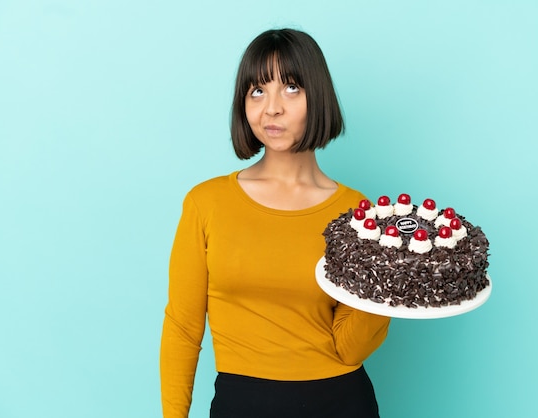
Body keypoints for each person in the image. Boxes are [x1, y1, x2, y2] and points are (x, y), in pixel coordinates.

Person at [160, 28, 391, 418]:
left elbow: (351, 347)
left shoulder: (357, 212)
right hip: (241, 403)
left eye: (291, 88)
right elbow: (183, 327)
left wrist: (387, 281)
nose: (271, 108)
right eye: (257, 91)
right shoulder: (206, 203)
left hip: (341, 402)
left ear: (317, 96)